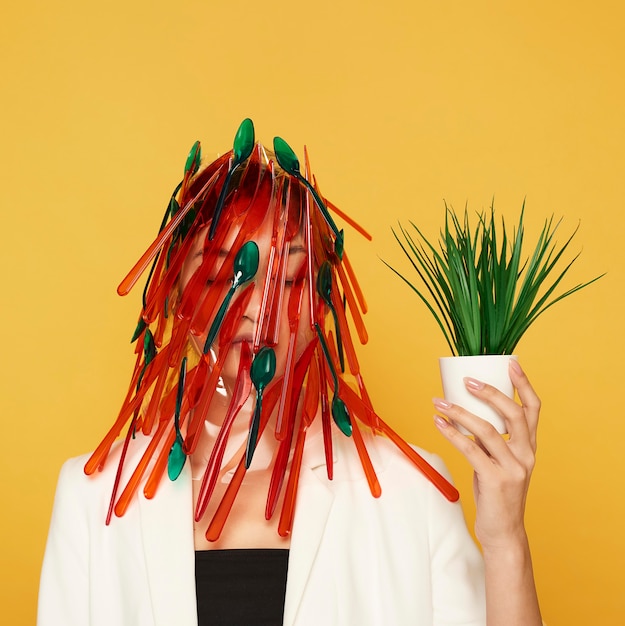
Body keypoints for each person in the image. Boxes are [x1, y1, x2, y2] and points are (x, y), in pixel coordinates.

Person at [38, 119, 542, 625]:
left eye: (290, 276)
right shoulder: (92, 500)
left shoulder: (412, 494)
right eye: (222, 276)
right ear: (174, 292)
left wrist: (505, 541)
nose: (256, 307)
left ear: (323, 299)